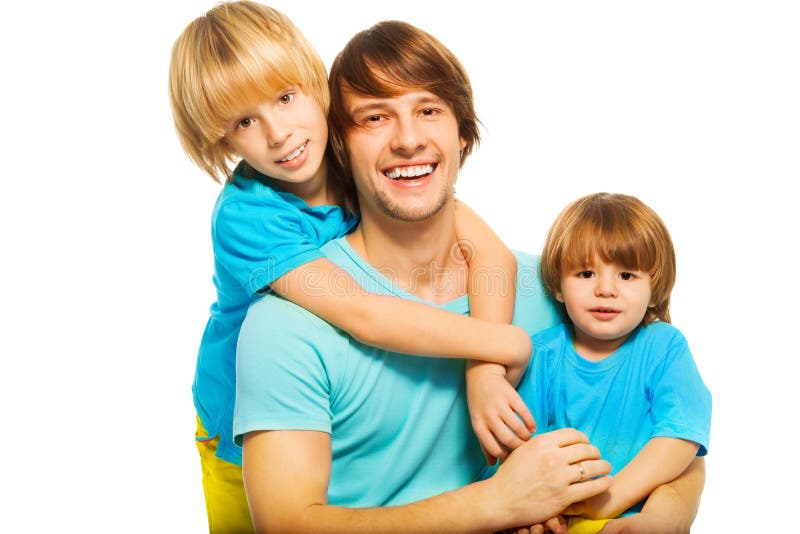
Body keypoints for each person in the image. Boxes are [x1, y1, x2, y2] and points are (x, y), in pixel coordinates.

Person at [235, 20, 705, 533]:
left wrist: (666, 515)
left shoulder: (557, 288)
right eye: (375, 117)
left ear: (462, 133)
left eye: (428, 110)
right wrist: (499, 501)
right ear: (341, 147)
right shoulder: (287, 324)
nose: (408, 139)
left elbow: (673, 433)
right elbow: (285, 526)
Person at [169, 2, 533, 531]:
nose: (279, 134)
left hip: (340, 406)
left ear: (313, 84)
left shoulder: (348, 157)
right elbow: (365, 314)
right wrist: (504, 343)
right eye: (244, 122)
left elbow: (488, 250)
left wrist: (484, 372)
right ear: (223, 139)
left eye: (285, 98)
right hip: (239, 423)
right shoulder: (248, 216)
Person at [509, 193, 711, 533]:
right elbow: (524, 449)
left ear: (655, 288)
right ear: (558, 286)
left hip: (636, 512)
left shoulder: (664, 347)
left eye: (626, 276)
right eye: (586, 273)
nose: (605, 289)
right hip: (561, 514)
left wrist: (611, 498)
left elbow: (679, 438)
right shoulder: (542, 354)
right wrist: (541, 510)